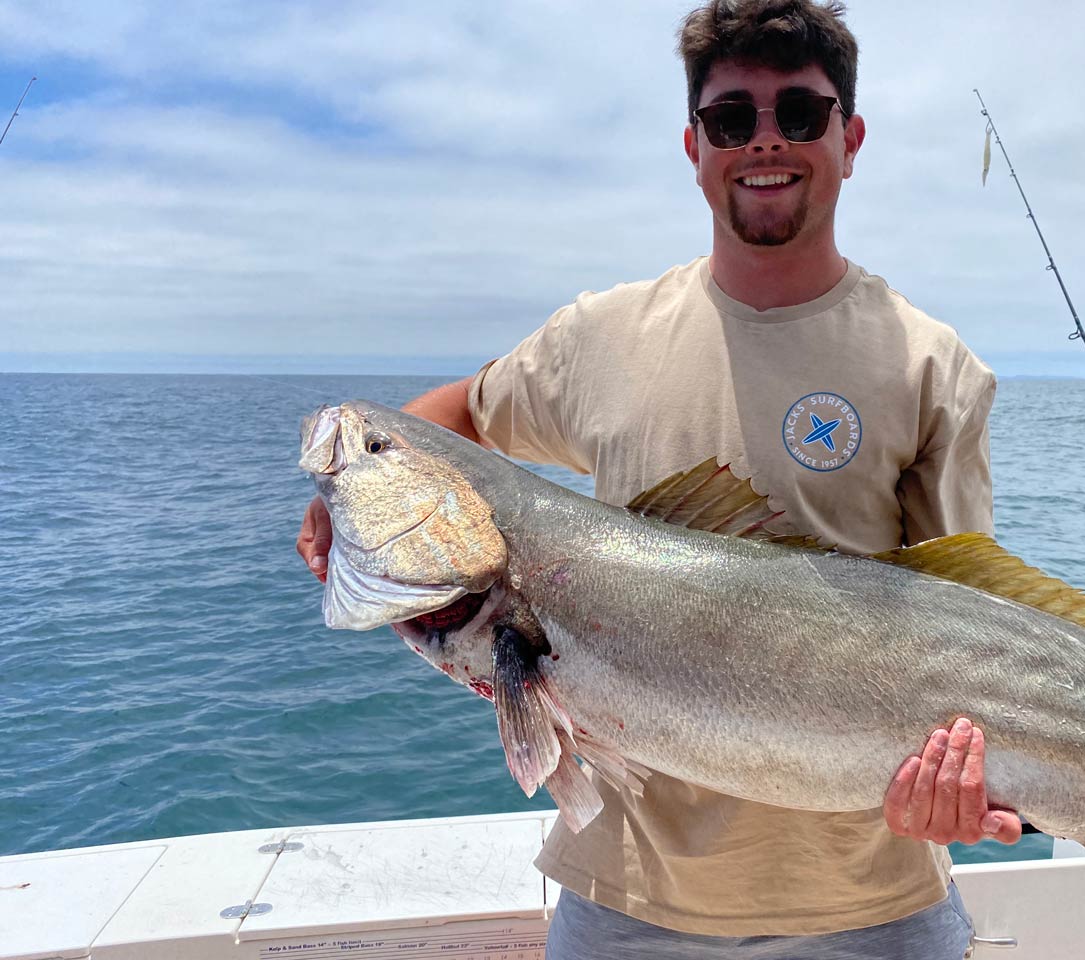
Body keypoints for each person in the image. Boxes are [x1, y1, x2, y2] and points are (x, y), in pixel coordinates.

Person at [298, 0, 1023, 954]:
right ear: (695, 145)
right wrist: (349, 499)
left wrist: (975, 792)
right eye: (733, 119)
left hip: (873, 904)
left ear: (848, 138)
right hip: (626, 901)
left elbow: (972, 620)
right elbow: (460, 417)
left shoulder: (934, 366)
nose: (766, 141)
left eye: (799, 114)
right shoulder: (600, 336)